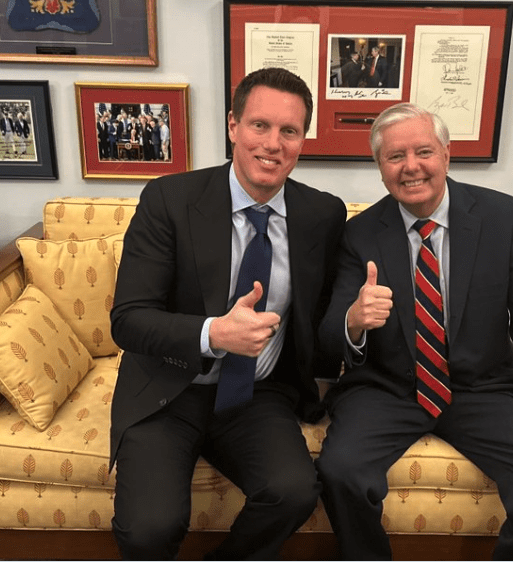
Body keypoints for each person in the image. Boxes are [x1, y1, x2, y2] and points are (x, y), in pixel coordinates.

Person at [315, 103, 513, 561]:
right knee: (340, 472)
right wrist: (353, 321)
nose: (411, 167)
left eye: (423, 151)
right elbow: (329, 334)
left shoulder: (503, 219)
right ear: (380, 168)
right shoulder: (360, 232)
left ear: (446, 153)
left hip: (484, 388)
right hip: (387, 388)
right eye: (395, 157)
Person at [109, 67, 347, 561]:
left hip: (257, 395)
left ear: (304, 139)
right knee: (150, 530)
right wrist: (214, 332)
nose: (273, 143)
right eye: (260, 125)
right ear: (233, 125)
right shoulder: (170, 200)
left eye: (289, 131)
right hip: (168, 391)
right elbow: (128, 319)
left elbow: (323, 317)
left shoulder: (323, 215)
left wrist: (356, 324)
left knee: (295, 491)